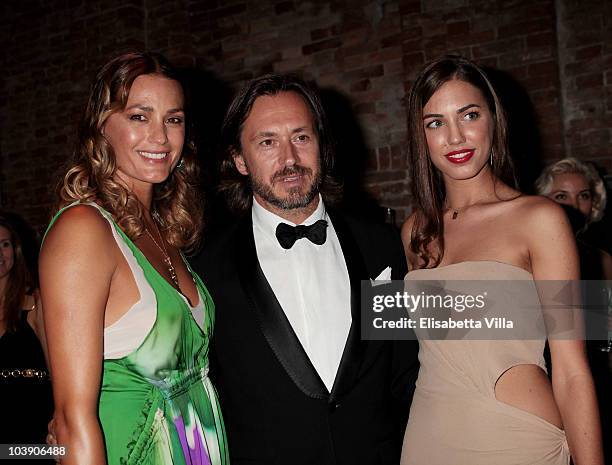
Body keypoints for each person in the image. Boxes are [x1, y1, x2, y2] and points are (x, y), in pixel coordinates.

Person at [191, 73, 418, 465]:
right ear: (239, 160)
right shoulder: (205, 269)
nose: (289, 159)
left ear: (322, 147)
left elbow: (404, 375)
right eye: (267, 142)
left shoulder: (381, 248)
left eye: (301, 137)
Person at [399, 55, 603, 465]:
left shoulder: (540, 219)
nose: (455, 137)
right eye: (435, 122)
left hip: (516, 439)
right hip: (427, 437)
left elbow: (572, 369)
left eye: (469, 115)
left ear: (493, 119)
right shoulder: (415, 230)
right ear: (421, 137)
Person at [39, 52, 228, 465]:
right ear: (102, 126)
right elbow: (72, 420)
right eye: (139, 117)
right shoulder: (83, 229)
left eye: (173, 119)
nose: (160, 137)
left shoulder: (163, 230)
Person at [0, 215, 53, 458]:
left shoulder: (35, 304)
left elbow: (57, 370)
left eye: (5, 244)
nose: (0, 253)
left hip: (32, 433)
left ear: (15, 250)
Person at [535, 157, 612, 279]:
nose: (574, 205)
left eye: (583, 195)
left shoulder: (603, 260)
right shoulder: (530, 254)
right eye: (561, 196)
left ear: (594, 203)